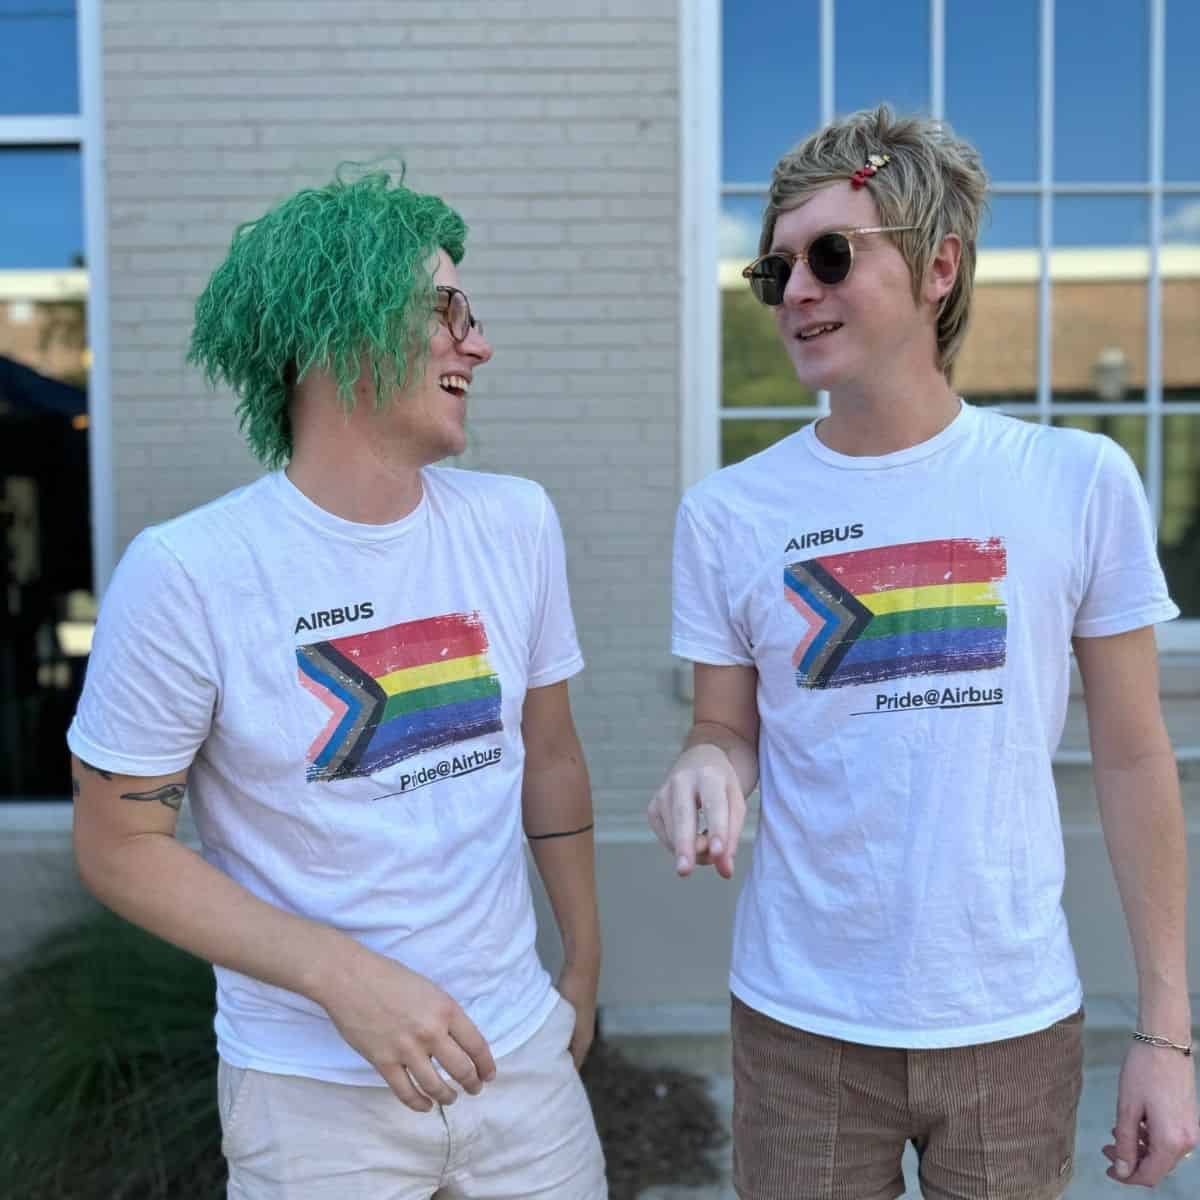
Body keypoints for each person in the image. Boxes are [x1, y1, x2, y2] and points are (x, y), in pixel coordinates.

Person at [648, 105, 1197, 1199]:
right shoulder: (728, 513)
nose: (797, 290)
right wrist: (707, 762)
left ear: (939, 266)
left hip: (1008, 1022)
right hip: (800, 1024)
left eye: (832, 255)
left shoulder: (1077, 482)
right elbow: (726, 726)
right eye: (776, 270)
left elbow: (1137, 759)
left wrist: (1169, 1037)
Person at [69, 167, 606, 1199]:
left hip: (522, 1068)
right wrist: (341, 978)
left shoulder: (516, 523)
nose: (476, 342)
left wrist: (581, 968)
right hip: (311, 1102)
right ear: (339, 327)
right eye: (445, 310)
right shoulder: (191, 573)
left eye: (472, 313)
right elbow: (117, 843)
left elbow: (552, 754)